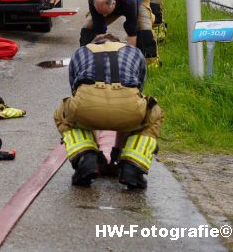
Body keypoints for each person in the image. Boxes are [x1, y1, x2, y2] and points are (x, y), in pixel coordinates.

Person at [53, 33, 164, 189]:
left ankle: (87, 157)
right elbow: (135, 92)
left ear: (95, 43)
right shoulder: (134, 52)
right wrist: (116, 154)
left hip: (87, 106)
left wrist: (96, 153)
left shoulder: (81, 52)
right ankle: (132, 166)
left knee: (66, 114)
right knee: (151, 114)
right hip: (128, 107)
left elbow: (78, 95)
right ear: (118, 43)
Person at [80, 0, 159, 66]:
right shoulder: (93, 0)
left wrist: (129, 60)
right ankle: (86, 60)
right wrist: (100, 57)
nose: (104, 16)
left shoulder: (129, 1)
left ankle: (148, 63)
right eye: (100, 13)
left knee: (143, 28)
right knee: (88, 26)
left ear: (114, 4)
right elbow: (100, 30)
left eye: (105, 13)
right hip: (115, 2)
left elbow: (131, 32)